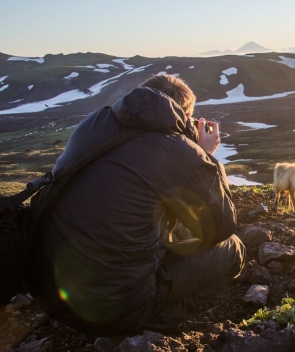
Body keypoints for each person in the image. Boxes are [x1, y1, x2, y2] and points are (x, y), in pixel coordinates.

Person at [29, 74, 245, 335]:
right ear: (185, 116)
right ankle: (149, 327)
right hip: (112, 312)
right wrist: (205, 156)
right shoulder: (178, 151)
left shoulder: (93, 122)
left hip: (47, 293)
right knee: (233, 250)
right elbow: (222, 226)